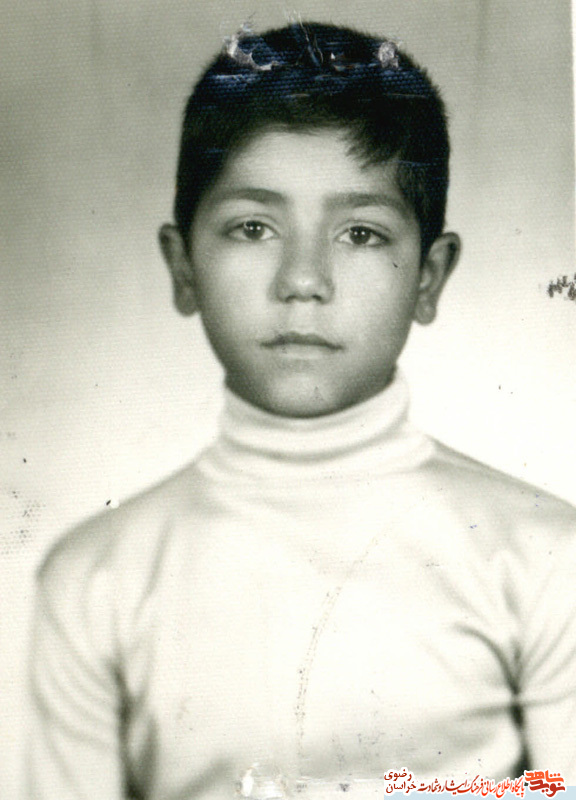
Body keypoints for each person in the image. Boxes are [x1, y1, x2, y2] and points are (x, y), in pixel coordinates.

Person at [26, 21, 576, 800]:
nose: (303, 280)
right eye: (254, 228)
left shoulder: (546, 559)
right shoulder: (97, 581)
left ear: (429, 277)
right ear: (183, 266)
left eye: (361, 233)